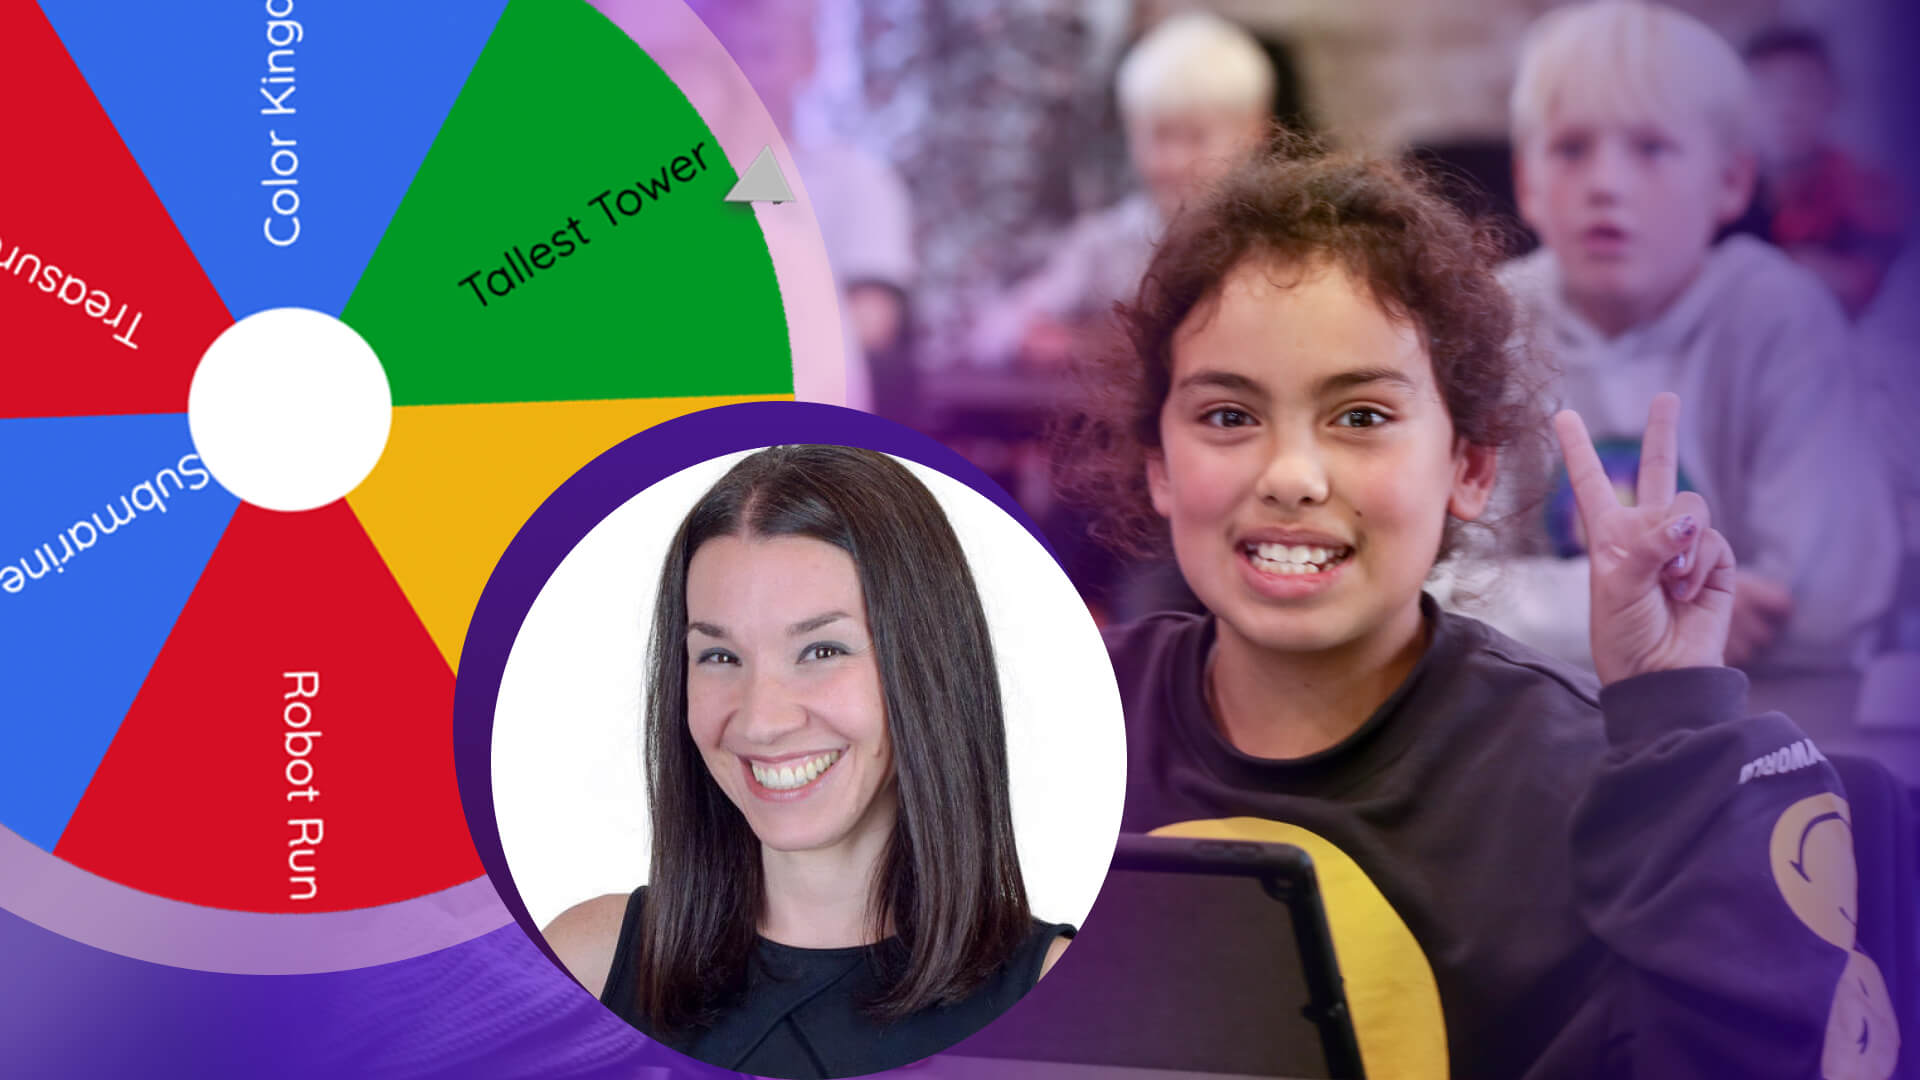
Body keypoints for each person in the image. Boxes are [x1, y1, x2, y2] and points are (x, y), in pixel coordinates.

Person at [1057, 144, 1896, 1077]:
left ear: (1471, 468)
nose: (1291, 476)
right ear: (1160, 466)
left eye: (1362, 417)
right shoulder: (1048, 740)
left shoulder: (1582, 788)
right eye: (1228, 417)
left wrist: (1678, 724)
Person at [543, 446, 1071, 1079]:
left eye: (822, 650)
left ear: (927, 664)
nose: (762, 720)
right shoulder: (583, 971)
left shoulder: (1068, 1004)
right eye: (718, 656)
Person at [1478, 1, 1899, 674]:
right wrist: (1673, 611)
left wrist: (1547, 614)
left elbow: (1825, 605)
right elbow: (1435, 590)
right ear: (1527, 183)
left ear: (1730, 181)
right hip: (1551, 734)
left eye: (1652, 148)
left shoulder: (1780, 313)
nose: (1606, 185)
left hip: (1766, 725)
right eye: (1570, 149)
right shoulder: (1493, 320)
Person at [971, 10, 1272, 368]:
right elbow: (991, 336)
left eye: (1195, 137)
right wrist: (1072, 342)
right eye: (1160, 137)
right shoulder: (1103, 246)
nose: (1175, 161)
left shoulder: (1272, 244)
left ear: (1256, 132)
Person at [1744, 25, 1907, 319]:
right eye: (1768, 90)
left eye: (1802, 91)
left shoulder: (1866, 191)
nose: (1786, 109)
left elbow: (1871, 285)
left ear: (1833, 97)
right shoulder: (1720, 188)